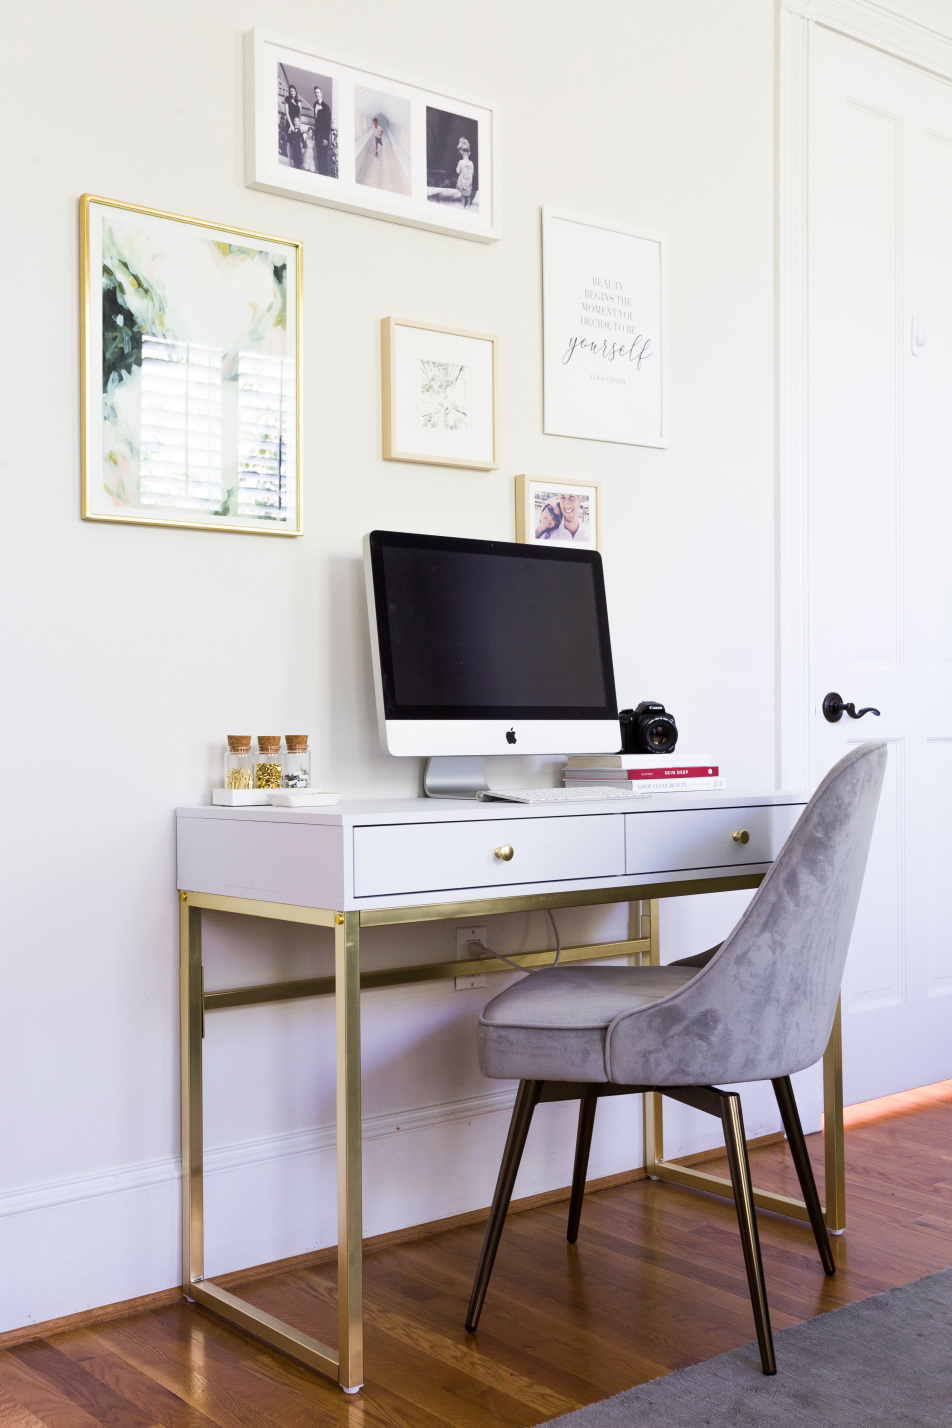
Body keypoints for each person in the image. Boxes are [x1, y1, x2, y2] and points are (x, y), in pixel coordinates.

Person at [312, 85, 332, 175]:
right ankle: (320, 174)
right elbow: (316, 121)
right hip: (317, 136)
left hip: (324, 137)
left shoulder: (326, 107)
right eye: (315, 93)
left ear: (321, 93)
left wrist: (326, 138)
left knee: (324, 157)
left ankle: (325, 175)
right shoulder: (314, 105)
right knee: (319, 157)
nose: (317, 94)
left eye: (318, 92)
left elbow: (328, 124)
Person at [456, 137, 474, 207]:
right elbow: (472, 173)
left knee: (463, 196)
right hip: (469, 183)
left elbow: (457, 171)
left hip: (463, 183)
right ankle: (469, 205)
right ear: (469, 153)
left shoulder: (460, 162)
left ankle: (463, 207)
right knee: (469, 196)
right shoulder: (471, 163)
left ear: (461, 152)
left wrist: (457, 168)